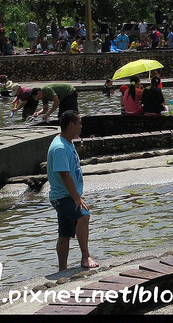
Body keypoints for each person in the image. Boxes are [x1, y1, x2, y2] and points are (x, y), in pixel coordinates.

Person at [47, 110, 99, 271]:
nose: (81, 126)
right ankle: (85, 256)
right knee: (84, 216)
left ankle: (62, 269)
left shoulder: (66, 141)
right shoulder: (60, 147)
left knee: (64, 233)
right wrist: (77, 198)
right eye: (79, 123)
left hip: (65, 195)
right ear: (71, 125)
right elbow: (64, 174)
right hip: (64, 196)